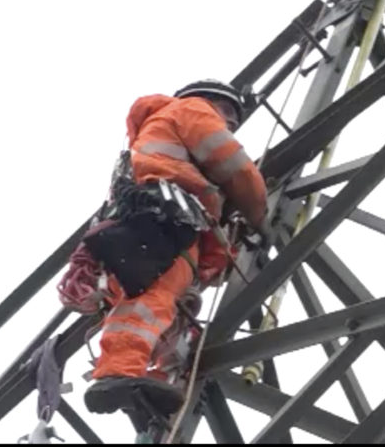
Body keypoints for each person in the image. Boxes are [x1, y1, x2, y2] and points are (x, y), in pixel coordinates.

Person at [83, 79, 268, 416]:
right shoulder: (191, 110)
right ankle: (119, 374)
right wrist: (259, 213)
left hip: (144, 225)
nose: (229, 123)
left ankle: (148, 383)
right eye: (227, 113)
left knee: (163, 304)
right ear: (209, 101)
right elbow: (234, 166)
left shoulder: (151, 136)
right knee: (151, 299)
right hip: (166, 222)